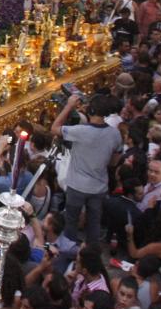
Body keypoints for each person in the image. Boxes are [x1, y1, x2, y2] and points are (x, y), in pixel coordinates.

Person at [52, 94, 122, 246]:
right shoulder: (115, 134)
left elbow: (55, 128)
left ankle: (69, 251)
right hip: (98, 186)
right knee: (94, 223)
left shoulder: (80, 131)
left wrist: (69, 106)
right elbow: (114, 161)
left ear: (90, 111)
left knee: (71, 221)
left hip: (77, 185)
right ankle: (92, 253)